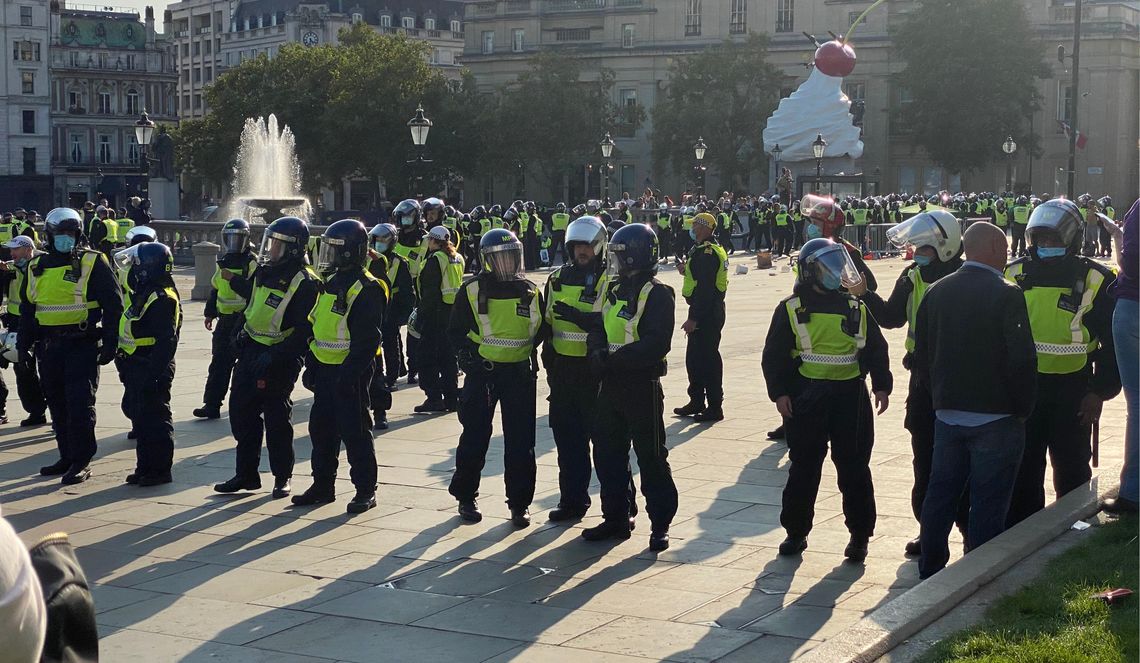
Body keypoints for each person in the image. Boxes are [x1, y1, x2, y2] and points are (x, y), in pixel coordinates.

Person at [913, 222, 1037, 578]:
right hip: (996, 417)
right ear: (997, 250)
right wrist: (1022, 409)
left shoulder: (936, 292)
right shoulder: (1007, 293)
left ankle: (930, 566)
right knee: (988, 501)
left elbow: (922, 354)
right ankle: (978, 573)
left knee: (941, 493)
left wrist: (939, 398)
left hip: (948, 414)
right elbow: (1023, 359)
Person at [761, 238, 892, 562]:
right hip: (807, 398)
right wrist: (779, 394)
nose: (836, 274)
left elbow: (877, 347)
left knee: (854, 469)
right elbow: (773, 356)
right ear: (809, 272)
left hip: (851, 397)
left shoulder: (855, 306)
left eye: (839, 266)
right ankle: (796, 532)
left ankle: (859, 536)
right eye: (828, 267)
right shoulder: (791, 308)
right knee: (804, 468)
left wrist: (881, 385)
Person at [849, 210, 965, 557]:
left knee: (962, 458)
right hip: (923, 378)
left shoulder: (965, 276)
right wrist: (864, 292)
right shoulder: (912, 275)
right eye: (916, 247)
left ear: (945, 246)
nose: (917, 253)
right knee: (923, 457)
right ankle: (929, 530)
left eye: (924, 247)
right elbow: (890, 317)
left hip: (961, 377)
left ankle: (968, 527)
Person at [1005, 199, 1120, 526]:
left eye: (1054, 241)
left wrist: (1100, 391)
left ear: (1071, 240)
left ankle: (1074, 531)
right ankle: (1021, 534)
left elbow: (1111, 345)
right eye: (1041, 240)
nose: (1046, 247)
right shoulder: (1015, 274)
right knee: (1023, 468)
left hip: (1074, 390)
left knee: (1071, 469)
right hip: (1026, 388)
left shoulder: (1097, 278)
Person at [580, 223, 677, 551]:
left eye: (620, 257)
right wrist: (595, 350)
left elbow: (656, 342)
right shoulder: (612, 288)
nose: (615, 263)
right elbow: (597, 324)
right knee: (607, 453)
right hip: (610, 384)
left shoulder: (658, 293)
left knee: (651, 457)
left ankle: (660, 524)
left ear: (635, 257)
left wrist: (613, 359)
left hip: (641, 385)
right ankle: (616, 517)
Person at [214, 216, 318, 499]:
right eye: (269, 243)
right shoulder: (262, 271)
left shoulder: (305, 282)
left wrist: (276, 355)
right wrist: (237, 335)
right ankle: (245, 475)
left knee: (276, 420)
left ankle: (282, 477)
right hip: (251, 351)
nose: (270, 249)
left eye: (276, 245)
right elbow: (251, 307)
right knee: (241, 414)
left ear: (293, 248)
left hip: (280, 358)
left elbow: (304, 329)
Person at [447, 229, 542, 527]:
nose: (505, 264)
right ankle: (466, 496)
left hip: (520, 375)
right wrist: (468, 358)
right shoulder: (472, 290)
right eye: (499, 259)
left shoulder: (530, 290)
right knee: (474, 437)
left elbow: (540, 331)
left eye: (510, 257)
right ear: (487, 261)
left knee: (521, 442)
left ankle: (519, 504)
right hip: (483, 374)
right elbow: (455, 332)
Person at [20, 208, 122, 485]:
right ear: (49, 236)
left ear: (79, 234)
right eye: (60, 234)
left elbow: (114, 304)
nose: (66, 238)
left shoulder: (92, 261)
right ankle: (66, 456)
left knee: (79, 405)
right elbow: (29, 311)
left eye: (71, 233)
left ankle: (81, 461)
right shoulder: (35, 266)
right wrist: (22, 347)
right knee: (57, 404)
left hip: (81, 343)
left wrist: (111, 342)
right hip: (48, 346)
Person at [293, 219, 386, 512]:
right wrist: (311, 362)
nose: (328, 255)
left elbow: (368, 339)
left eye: (334, 250)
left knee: (356, 431)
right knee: (321, 430)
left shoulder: (367, 288)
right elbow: (314, 323)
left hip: (351, 372)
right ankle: (323, 485)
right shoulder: (329, 283)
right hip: (324, 369)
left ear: (349, 253)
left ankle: (364, 490)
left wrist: (349, 375)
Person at [541, 216, 611, 521]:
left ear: (599, 247)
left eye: (587, 246)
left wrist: (575, 315)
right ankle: (572, 501)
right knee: (568, 442)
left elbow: (610, 322)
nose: (581, 252)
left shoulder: (610, 279)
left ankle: (620, 508)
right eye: (577, 246)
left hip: (596, 371)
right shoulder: (556, 279)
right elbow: (545, 323)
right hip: (564, 371)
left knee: (608, 446)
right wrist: (548, 362)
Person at [116, 242, 181, 486]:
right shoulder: (147, 292)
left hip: (151, 365)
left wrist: (153, 375)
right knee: (141, 421)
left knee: (156, 420)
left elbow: (166, 341)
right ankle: (144, 466)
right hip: (136, 363)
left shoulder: (162, 298)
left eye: (137, 265)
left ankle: (160, 470)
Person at [194, 220, 256, 419]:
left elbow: (254, 293)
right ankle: (211, 404)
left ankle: (249, 405)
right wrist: (209, 312)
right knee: (219, 364)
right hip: (225, 321)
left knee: (246, 367)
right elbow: (216, 289)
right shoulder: (224, 261)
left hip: (245, 321)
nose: (234, 242)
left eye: (237, 238)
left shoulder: (252, 263)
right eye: (230, 238)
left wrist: (233, 279)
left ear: (246, 239)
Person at [673, 212, 727, 422]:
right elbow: (699, 279)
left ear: (705, 227)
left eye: (695, 226)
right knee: (694, 359)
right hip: (705, 308)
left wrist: (694, 318)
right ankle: (696, 401)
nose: (692, 230)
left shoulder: (708, 253)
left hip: (706, 312)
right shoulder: (707, 250)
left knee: (708, 360)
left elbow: (706, 290)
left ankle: (715, 406)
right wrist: (685, 270)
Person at [1103, 198, 1137, 513]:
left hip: (1134, 309)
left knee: (1137, 405)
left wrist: (1116, 235)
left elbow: (1130, 266)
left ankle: (1133, 492)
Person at [413, 225, 465, 413]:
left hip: (435, 316)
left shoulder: (435, 260)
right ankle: (451, 399)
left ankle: (434, 397)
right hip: (453, 315)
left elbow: (430, 293)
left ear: (434, 241)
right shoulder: (457, 258)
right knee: (449, 359)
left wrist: (421, 317)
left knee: (426, 358)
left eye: (429, 239)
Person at [367, 223, 413, 429]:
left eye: (383, 240)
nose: (378, 244)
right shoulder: (363, 260)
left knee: (390, 346)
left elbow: (406, 291)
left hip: (390, 311)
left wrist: (401, 315)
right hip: (368, 315)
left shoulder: (398, 263)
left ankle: (391, 379)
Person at [0, 236, 47, 427]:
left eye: (15, 250)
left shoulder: (43, 264)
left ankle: (60, 412)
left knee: (49, 369)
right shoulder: (9, 268)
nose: (11, 254)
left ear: (28, 249)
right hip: (17, 322)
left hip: (42, 321)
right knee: (23, 368)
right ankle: (36, 411)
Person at [392, 199, 428, 385]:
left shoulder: (425, 239)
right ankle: (398, 367)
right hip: (395, 289)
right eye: (401, 217)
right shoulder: (394, 236)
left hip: (418, 289)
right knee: (392, 331)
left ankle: (415, 368)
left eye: (408, 217)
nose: (404, 220)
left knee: (415, 332)